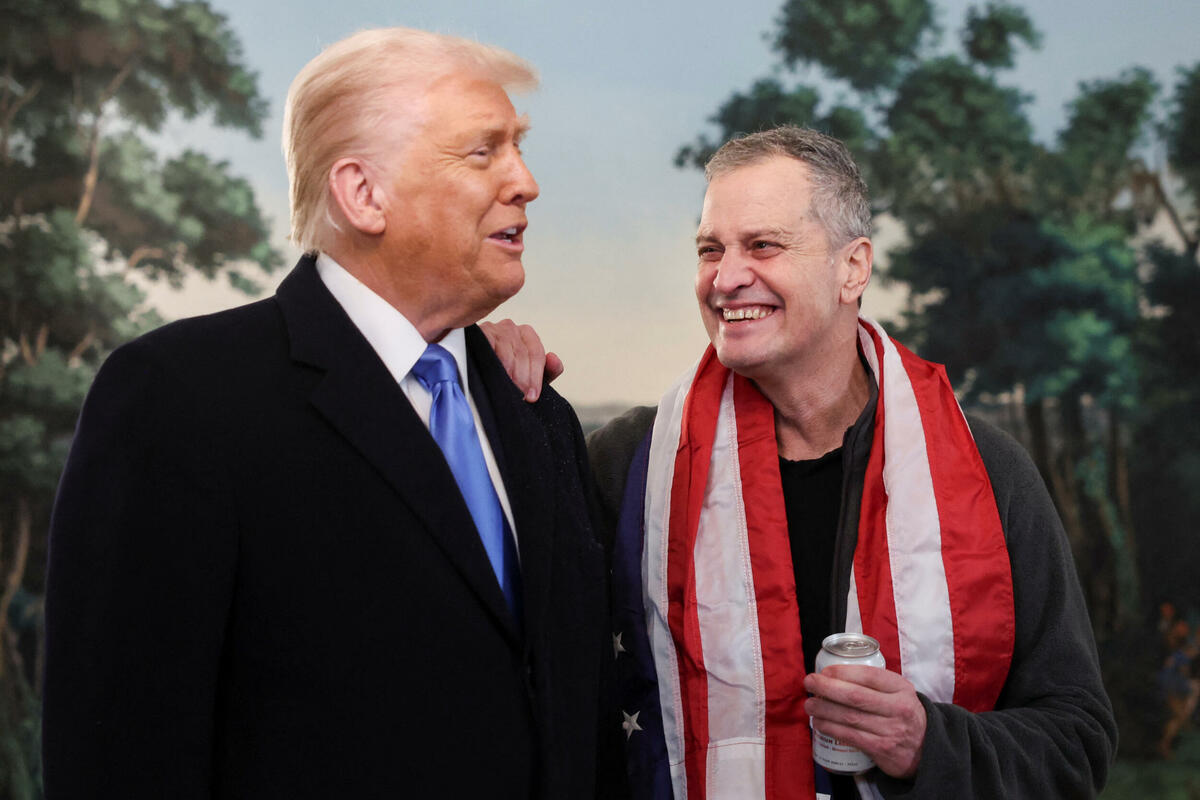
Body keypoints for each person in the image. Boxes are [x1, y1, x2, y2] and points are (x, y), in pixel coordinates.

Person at [43, 28, 619, 799]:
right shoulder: (180, 400)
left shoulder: (538, 413)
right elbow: (118, 758)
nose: (526, 182)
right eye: (483, 152)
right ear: (363, 194)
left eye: (518, 146)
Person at [485, 126, 1117, 798]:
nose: (726, 278)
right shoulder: (631, 466)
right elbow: (520, 675)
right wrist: (479, 385)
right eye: (710, 250)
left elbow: (1075, 743)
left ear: (853, 268)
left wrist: (927, 744)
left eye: (763, 245)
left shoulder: (985, 473)